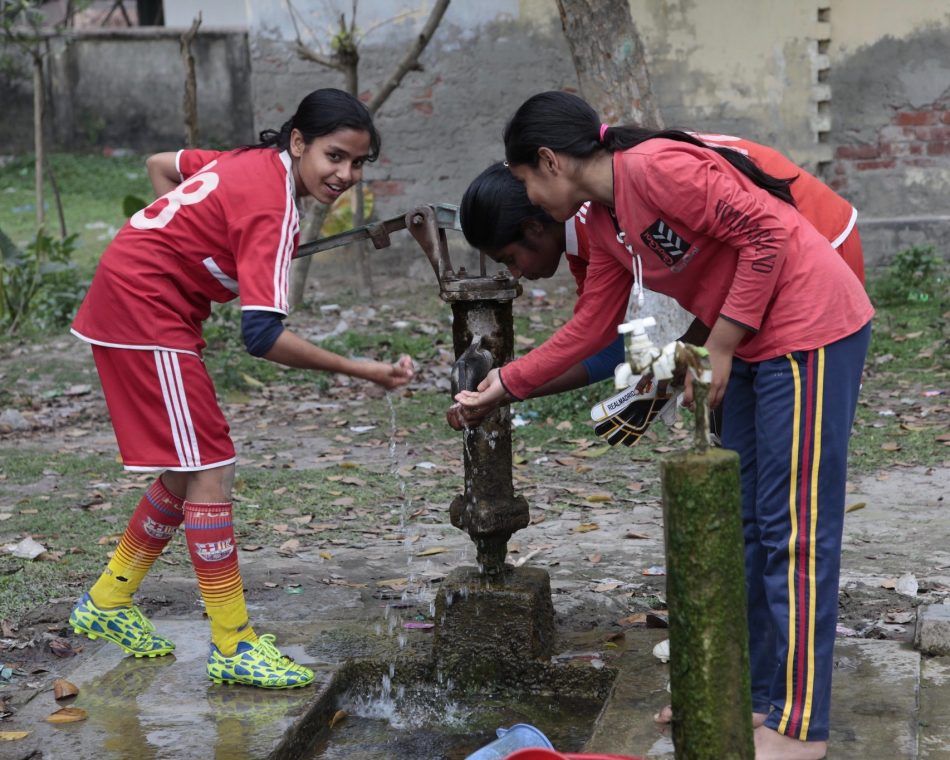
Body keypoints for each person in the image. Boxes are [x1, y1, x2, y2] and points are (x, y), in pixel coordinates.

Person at [454, 91, 873, 760]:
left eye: (526, 180)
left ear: (550, 161)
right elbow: (591, 330)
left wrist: (721, 347)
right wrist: (502, 385)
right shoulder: (602, 220)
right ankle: (748, 695)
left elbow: (767, 235)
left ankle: (800, 730)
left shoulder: (654, 169)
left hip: (806, 329)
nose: (527, 195)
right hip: (751, 342)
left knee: (794, 536)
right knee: (747, 529)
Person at [68, 88, 414, 689]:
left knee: (188, 466)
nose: (346, 174)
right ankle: (231, 643)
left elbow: (160, 164)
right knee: (212, 468)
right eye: (335, 156)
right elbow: (262, 336)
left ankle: (106, 603)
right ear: (299, 142)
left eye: (358, 164)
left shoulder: (243, 161)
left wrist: (183, 250)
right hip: (144, 312)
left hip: (141, 302)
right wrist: (364, 369)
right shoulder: (274, 207)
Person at [448, 135, 864, 430]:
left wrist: (510, 383)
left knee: (786, 447)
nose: (515, 273)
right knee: (738, 445)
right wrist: (508, 386)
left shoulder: (617, 197)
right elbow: (598, 338)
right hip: (756, 269)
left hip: (816, 247)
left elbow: (760, 243)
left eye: (509, 259)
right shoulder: (593, 225)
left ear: (534, 223)